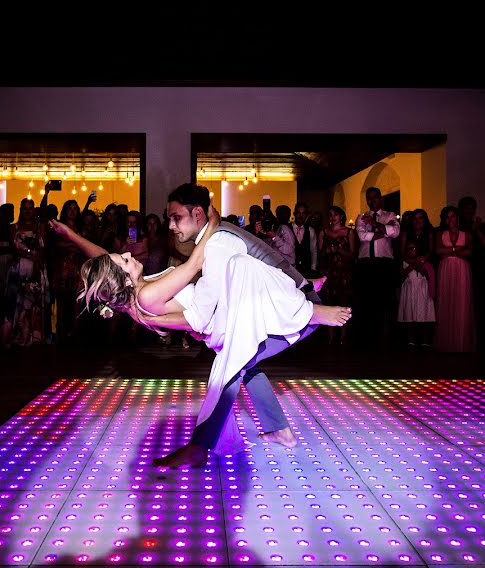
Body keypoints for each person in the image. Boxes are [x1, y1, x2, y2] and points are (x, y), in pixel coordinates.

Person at [52, 185, 349, 468]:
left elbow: (105, 262)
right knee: (237, 271)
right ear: (123, 278)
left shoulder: (136, 289)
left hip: (219, 318)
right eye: (125, 260)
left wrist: (72, 235)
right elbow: (193, 265)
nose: (130, 255)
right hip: (215, 320)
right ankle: (307, 308)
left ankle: (278, 430)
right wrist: (212, 224)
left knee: (245, 366)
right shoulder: (146, 294)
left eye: (175, 217)